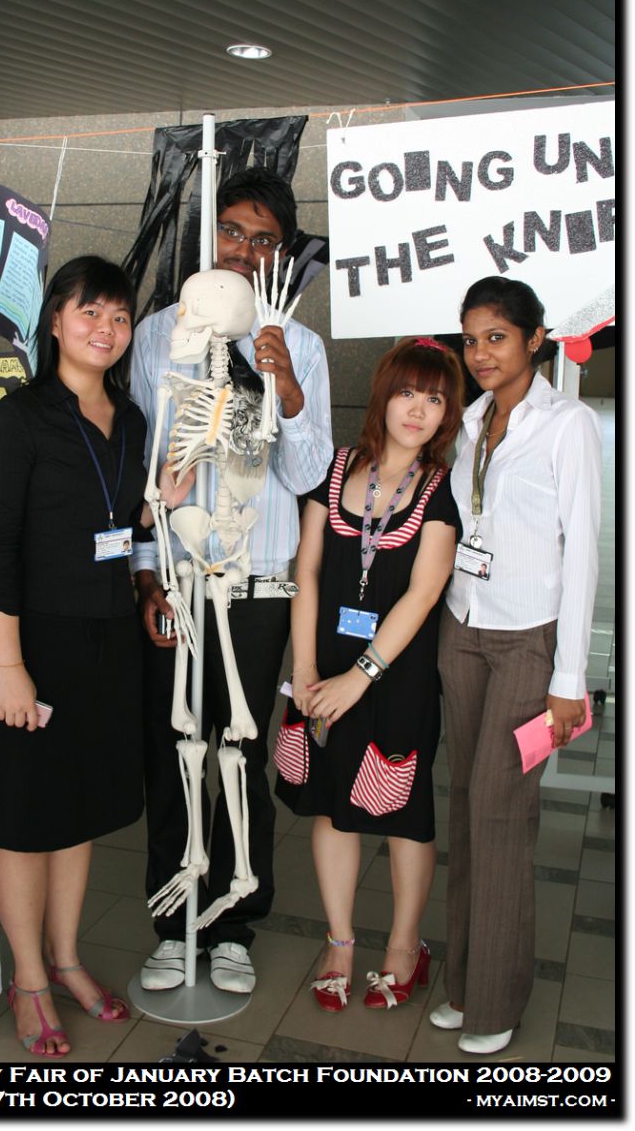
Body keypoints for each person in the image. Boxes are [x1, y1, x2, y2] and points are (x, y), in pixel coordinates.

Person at [0, 255, 188, 1055]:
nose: (106, 328)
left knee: (80, 810)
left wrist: (156, 515)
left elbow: (118, 524)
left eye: (119, 316)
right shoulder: (20, 418)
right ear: (56, 320)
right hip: (34, 641)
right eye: (89, 311)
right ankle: (29, 978)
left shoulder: (128, 418)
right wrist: (8, 665)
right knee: (26, 815)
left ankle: (65, 958)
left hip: (108, 638)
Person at [131, 167, 333, 994]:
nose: (244, 249)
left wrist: (284, 385)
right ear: (207, 234)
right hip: (178, 579)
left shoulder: (299, 345)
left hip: (258, 585)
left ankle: (235, 924)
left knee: (240, 752)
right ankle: (174, 923)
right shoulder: (154, 336)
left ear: (280, 253)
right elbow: (140, 467)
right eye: (231, 231)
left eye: (263, 239)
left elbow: (310, 473)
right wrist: (146, 576)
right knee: (173, 751)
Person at [431, 276, 601, 1055]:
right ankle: (464, 983)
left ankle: (495, 1002)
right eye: (470, 339)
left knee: (501, 815)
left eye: (496, 337)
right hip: (463, 626)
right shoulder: (468, 420)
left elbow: (583, 554)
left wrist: (568, 679)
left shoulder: (565, 424)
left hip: (527, 639)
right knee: (467, 807)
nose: (480, 353)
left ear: (534, 340)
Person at [276, 337, 463, 1012]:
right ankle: (340, 943)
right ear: (383, 395)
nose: (418, 409)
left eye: (434, 399)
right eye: (408, 393)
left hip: (396, 678)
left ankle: (404, 947)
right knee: (333, 806)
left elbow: (423, 593)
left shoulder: (440, 490)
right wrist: (304, 667)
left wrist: (361, 676)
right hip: (322, 668)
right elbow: (306, 571)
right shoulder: (334, 469)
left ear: (447, 414)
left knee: (405, 814)